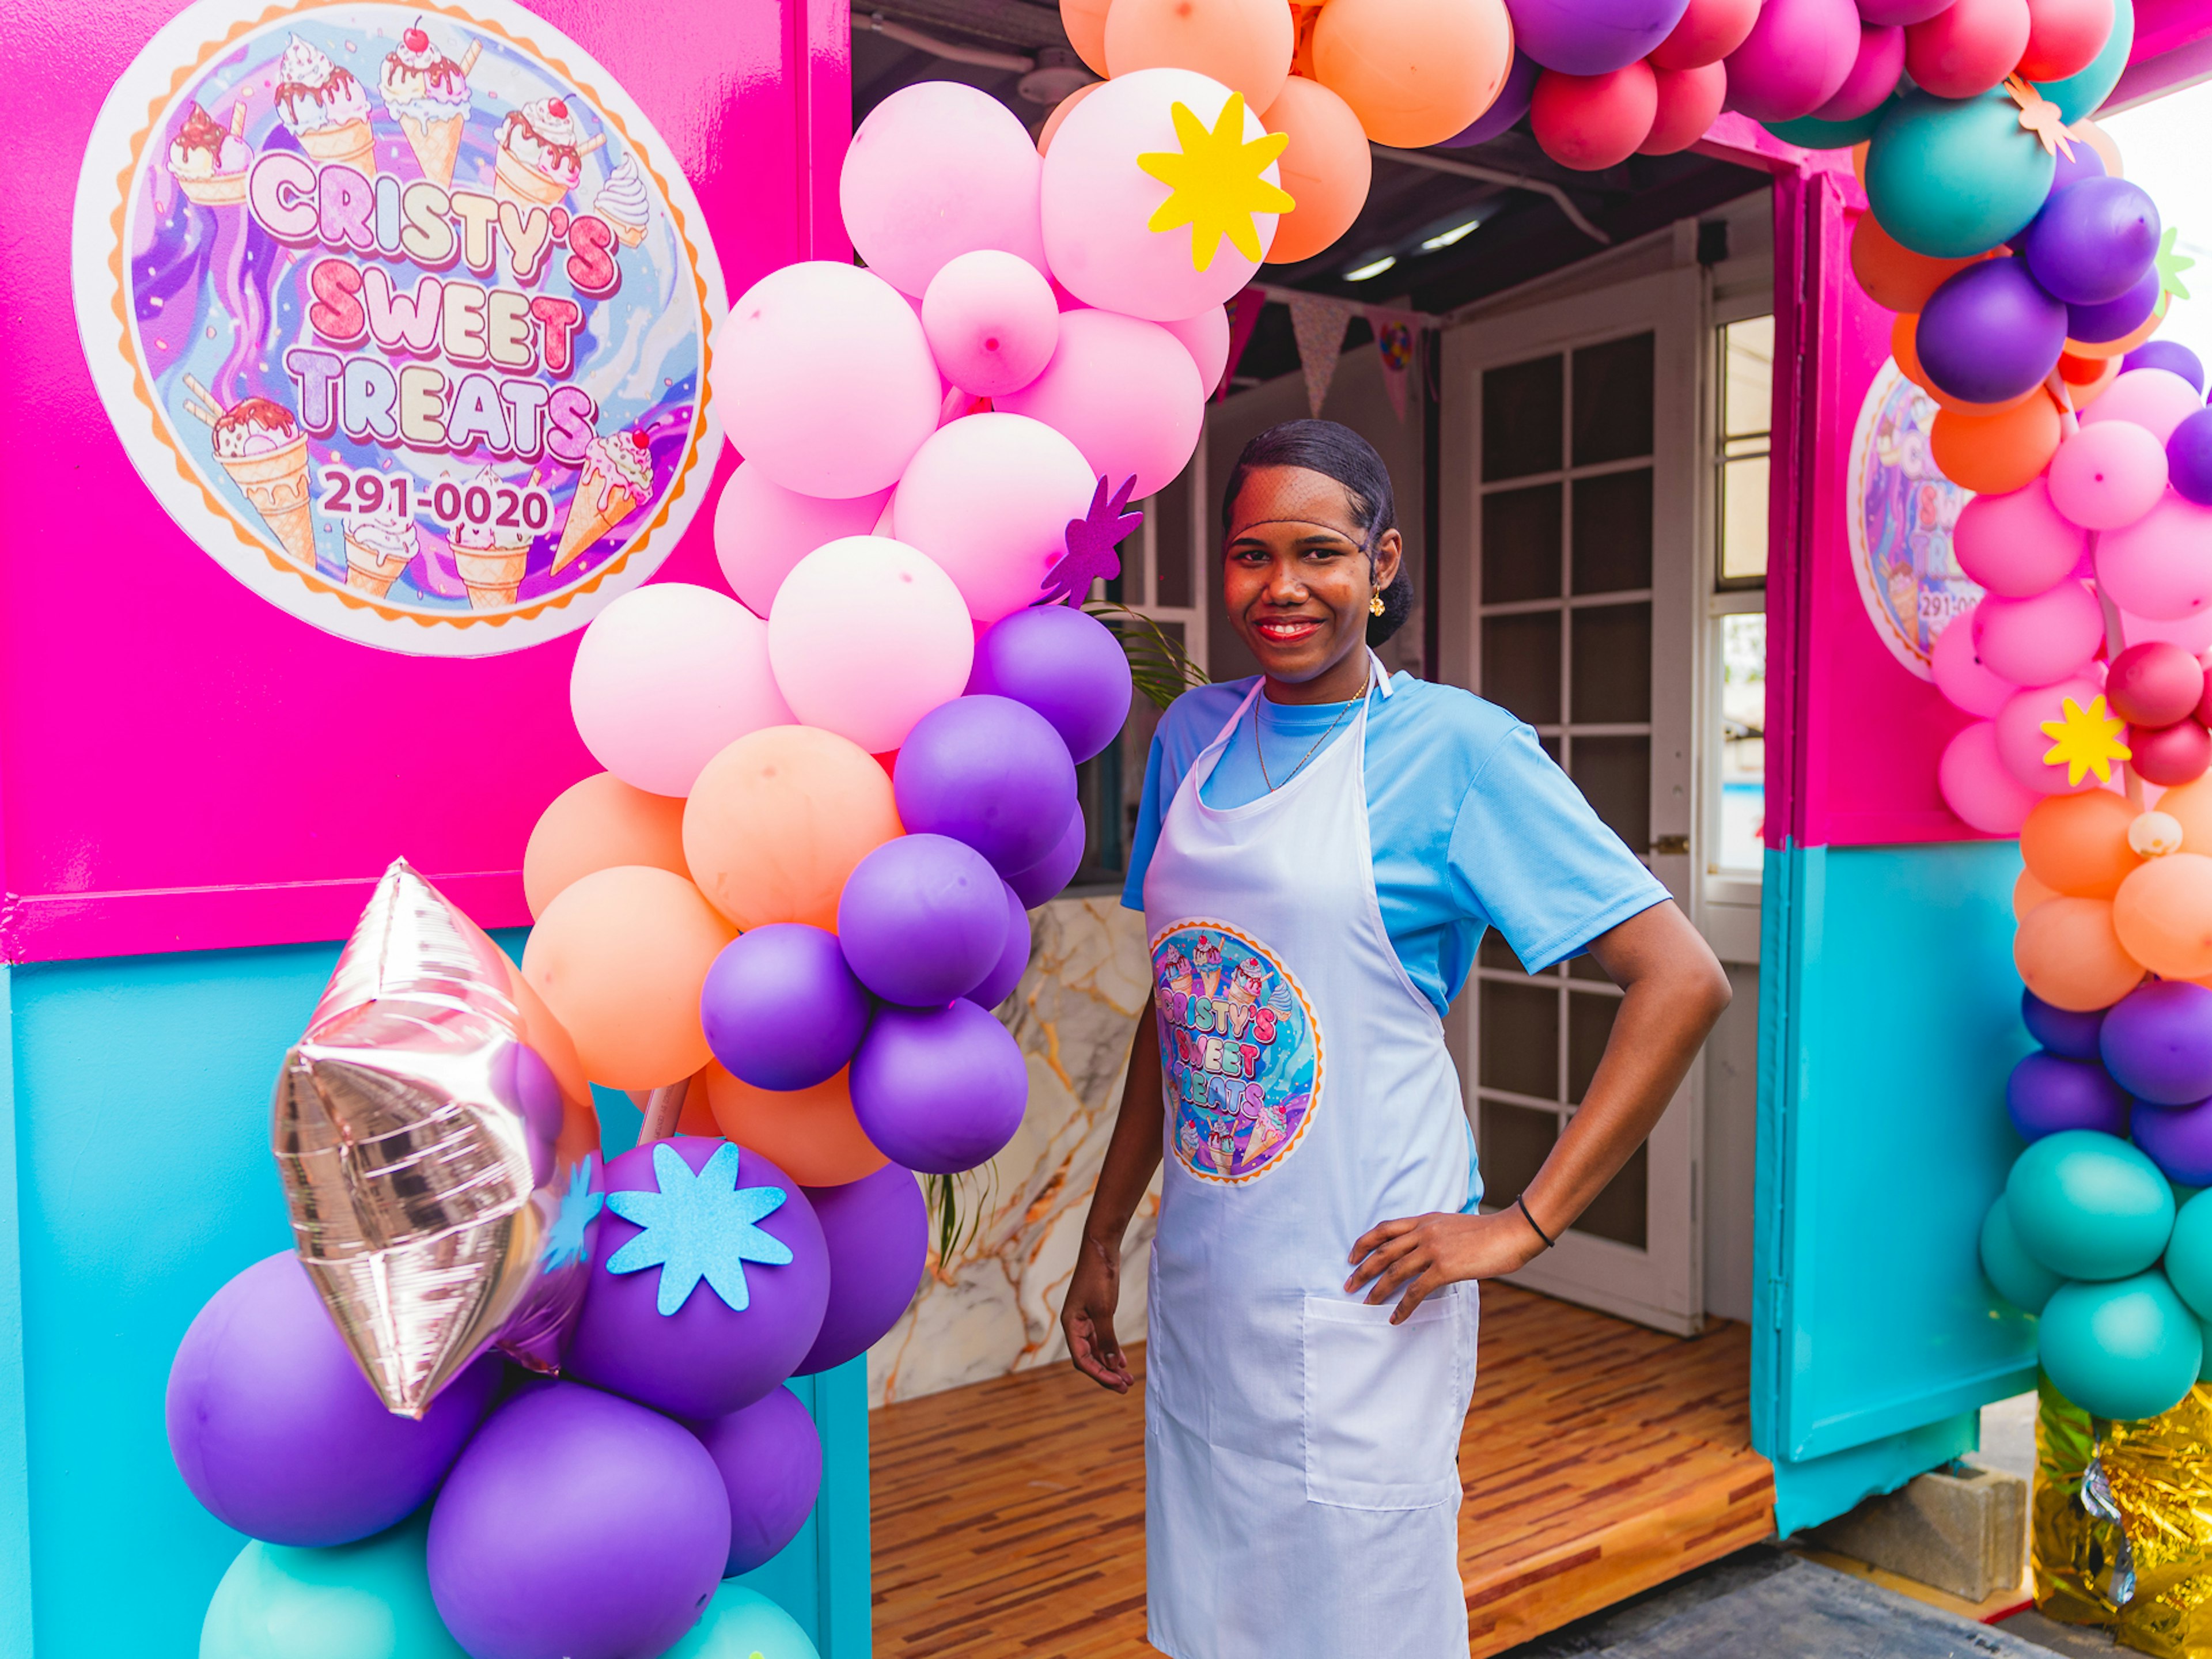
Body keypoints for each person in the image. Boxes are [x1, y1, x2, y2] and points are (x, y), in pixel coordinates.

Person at [1058, 419, 1732, 1659]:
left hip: (1370, 1274)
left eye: (1319, 552)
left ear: (1381, 563)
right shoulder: (1194, 735)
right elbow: (1183, 1004)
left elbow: (1681, 980)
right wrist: (1104, 1237)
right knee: (1217, 1613)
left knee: (1362, 1616)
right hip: (1211, 1270)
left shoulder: (1459, 750)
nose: (1282, 587)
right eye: (1252, 555)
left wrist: (1524, 1226)